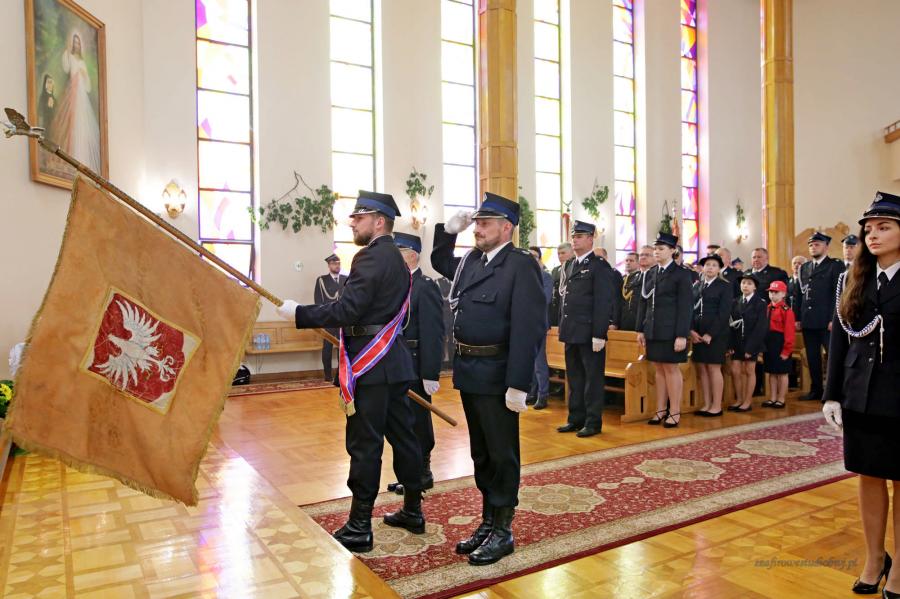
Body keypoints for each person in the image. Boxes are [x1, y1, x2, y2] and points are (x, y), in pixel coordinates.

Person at [276, 191, 424, 553]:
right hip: (393, 362)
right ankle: (413, 510)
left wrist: (299, 313)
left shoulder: (369, 257)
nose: (352, 223)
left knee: (365, 444)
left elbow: (347, 310)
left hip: (372, 366)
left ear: (379, 221)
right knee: (404, 437)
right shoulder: (397, 259)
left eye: (359, 217)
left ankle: (359, 526)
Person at [431, 192, 546, 566]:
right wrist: (448, 232)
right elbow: (439, 261)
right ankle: (488, 519)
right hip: (470, 371)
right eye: (476, 223)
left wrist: (519, 384)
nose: (477, 229)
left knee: (502, 452)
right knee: (481, 452)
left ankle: (504, 529)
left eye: (485, 223)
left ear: (506, 228)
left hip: (499, 374)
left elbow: (529, 327)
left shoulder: (520, 265)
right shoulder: (472, 261)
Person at [822, 191, 900, 597]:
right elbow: (840, 341)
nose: (873, 235)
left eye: (884, 227)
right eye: (868, 228)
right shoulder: (853, 278)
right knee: (868, 476)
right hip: (861, 394)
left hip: (899, 395)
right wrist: (831, 394)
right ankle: (874, 558)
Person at [385, 232, 445, 495]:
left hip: (415, 363)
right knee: (400, 421)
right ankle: (408, 474)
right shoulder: (395, 284)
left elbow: (433, 332)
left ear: (412, 255)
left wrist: (431, 372)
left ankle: (423, 473)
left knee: (418, 420)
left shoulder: (425, 286)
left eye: (398, 253)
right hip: (396, 363)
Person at [556, 221, 615, 437]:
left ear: (591, 239)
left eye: (580, 236)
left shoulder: (599, 266)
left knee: (592, 380)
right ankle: (575, 418)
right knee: (575, 378)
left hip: (590, 333)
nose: (575, 240)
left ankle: (593, 422)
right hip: (572, 331)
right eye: (574, 236)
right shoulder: (570, 264)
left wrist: (599, 334)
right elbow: (566, 300)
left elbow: (603, 302)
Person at [636, 232, 693, 428]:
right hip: (653, 328)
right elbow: (643, 303)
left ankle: (674, 410)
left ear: (672, 251)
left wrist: (682, 334)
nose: (656, 252)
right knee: (658, 369)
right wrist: (640, 329)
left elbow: (685, 307)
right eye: (655, 249)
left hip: (671, 330)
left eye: (661, 249)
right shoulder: (651, 273)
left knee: (671, 369)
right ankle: (660, 409)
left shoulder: (681, 274)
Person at [793, 232, 844, 400]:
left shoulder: (835, 266)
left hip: (827, 321)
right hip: (808, 320)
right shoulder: (804, 267)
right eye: (811, 245)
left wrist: (833, 318)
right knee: (812, 357)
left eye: (817, 244)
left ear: (826, 247)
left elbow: (838, 294)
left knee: (832, 357)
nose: (813, 247)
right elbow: (799, 294)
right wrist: (797, 318)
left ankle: (834, 392)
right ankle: (816, 390)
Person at [49, 32, 101, 171]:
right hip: (72, 91)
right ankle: (72, 154)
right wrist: (66, 52)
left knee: (82, 122)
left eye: (78, 43)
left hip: (82, 94)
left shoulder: (82, 62)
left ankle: (82, 157)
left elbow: (88, 87)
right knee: (71, 121)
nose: (76, 45)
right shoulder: (70, 57)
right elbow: (66, 68)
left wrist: (84, 75)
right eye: (75, 42)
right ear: (72, 44)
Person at [690, 254, 733, 417]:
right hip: (698, 333)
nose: (710, 268)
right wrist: (691, 331)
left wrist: (710, 334)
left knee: (713, 368)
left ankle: (716, 406)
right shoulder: (697, 285)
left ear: (719, 269)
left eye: (714, 265)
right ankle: (706, 404)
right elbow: (690, 309)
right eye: (707, 264)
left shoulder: (724, 286)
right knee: (702, 368)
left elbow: (724, 313)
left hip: (716, 333)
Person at [726, 274, 767, 411]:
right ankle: (739, 399)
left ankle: (747, 401)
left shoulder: (760, 303)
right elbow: (730, 325)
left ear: (755, 287)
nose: (745, 286)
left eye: (749, 283)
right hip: (737, 342)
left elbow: (760, 327)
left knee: (749, 370)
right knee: (735, 371)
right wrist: (730, 345)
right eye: (743, 283)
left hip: (751, 342)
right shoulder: (735, 301)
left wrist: (751, 348)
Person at [761, 281, 795, 409]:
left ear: (783, 294)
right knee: (771, 372)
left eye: (776, 292)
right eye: (771, 292)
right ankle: (772, 397)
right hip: (769, 343)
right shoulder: (767, 308)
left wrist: (787, 350)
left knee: (782, 373)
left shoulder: (787, 310)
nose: (773, 294)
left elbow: (789, 332)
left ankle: (781, 398)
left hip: (780, 343)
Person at [527, 246, 553, 409]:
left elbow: (545, 299)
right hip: (524, 324)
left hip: (538, 323)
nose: (531, 259)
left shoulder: (545, 276)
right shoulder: (523, 276)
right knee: (528, 361)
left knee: (539, 362)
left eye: (534, 257)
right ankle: (531, 392)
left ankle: (543, 395)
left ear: (540, 259)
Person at [314, 254, 347, 381]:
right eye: (334, 263)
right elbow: (318, 301)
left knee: (341, 348)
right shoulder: (322, 280)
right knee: (327, 348)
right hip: (328, 319)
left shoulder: (346, 279)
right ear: (329, 265)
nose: (337, 266)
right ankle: (327, 376)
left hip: (342, 319)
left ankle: (340, 375)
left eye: (338, 263)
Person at [618, 247, 651, 331]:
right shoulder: (623, 278)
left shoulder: (643, 277)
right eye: (626, 260)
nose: (628, 263)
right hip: (623, 319)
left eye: (631, 261)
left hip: (636, 319)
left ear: (638, 263)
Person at [593, 246, 623, 329]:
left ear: (606, 257)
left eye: (599, 257)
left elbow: (617, 298)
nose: (597, 260)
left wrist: (615, 322)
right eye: (594, 257)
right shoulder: (590, 273)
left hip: (608, 319)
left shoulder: (613, 274)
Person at [549, 242, 574, 327]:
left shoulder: (574, 269)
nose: (560, 256)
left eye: (563, 253)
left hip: (567, 309)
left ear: (572, 252)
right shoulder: (555, 270)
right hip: (555, 309)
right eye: (558, 254)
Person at [436, 276, 455, 369]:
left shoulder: (453, 282)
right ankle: (442, 360)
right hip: (441, 315)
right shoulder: (437, 282)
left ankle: (452, 359)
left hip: (451, 315)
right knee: (442, 338)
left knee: (452, 338)